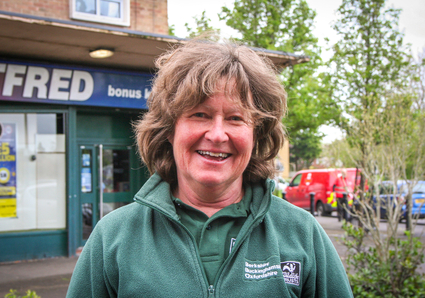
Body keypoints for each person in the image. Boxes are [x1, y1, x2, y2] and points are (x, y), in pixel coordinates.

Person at [66, 38, 353, 297]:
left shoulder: (301, 233)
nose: (217, 135)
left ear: (257, 133)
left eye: (236, 118)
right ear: (169, 129)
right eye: (200, 114)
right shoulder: (113, 237)